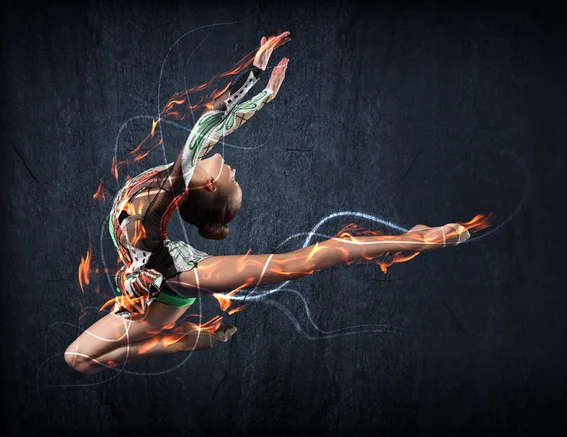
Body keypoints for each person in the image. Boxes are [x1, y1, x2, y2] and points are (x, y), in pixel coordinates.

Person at [64, 31, 479, 374]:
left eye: (229, 176)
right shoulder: (169, 181)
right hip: (161, 296)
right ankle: (178, 341)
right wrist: (260, 86)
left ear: (206, 186)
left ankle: (417, 239)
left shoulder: (173, 186)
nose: (229, 165)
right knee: (78, 359)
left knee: (298, 262)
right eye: (231, 173)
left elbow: (209, 122)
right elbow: (216, 121)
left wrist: (257, 78)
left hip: (181, 277)